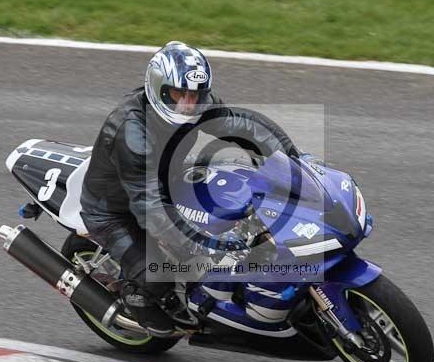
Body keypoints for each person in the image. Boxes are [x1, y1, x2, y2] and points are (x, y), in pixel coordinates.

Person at [80, 41, 302, 336]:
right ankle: (137, 301)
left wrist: (290, 160)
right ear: (158, 88)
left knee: (241, 190)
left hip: (167, 178)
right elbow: (148, 206)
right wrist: (197, 245)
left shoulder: (197, 104)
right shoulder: (132, 131)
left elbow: (241, 126)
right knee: (157, 276)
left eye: (195, 95)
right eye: (178, 94)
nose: (188, 103)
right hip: (115, 211)